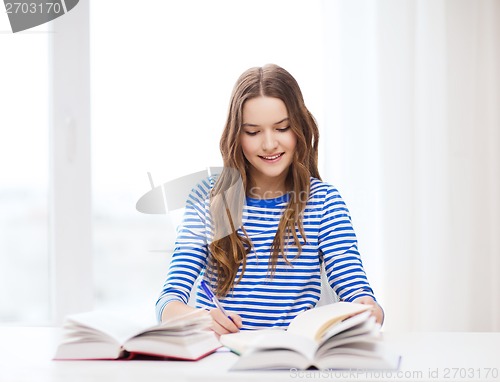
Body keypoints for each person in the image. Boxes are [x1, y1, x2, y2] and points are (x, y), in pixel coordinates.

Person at [156, 64, 384, 335]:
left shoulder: (324, 202)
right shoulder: (206, 199)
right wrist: (197, 317)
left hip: (292, 360)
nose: (269, 144)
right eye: (253, 132)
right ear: (236, 136)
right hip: (219, 361)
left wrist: (368, 309)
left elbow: (356, 290)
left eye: (282, 128)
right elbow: (168, 302)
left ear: (300, 128)